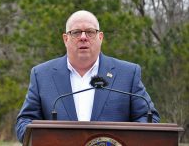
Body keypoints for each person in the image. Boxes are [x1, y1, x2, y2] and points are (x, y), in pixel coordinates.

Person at [15, 10, 160, 143]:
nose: (83, 37)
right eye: (76, 32)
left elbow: (149, 118)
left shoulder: (127, 73)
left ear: (100, 37)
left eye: (90, 32)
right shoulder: (42, 75)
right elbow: (25, 121)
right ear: (66, 39)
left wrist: (122, 141)